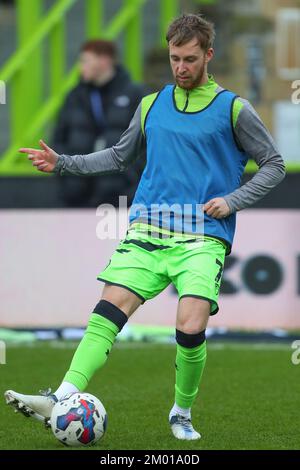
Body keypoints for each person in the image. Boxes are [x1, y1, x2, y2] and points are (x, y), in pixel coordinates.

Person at [5, 14, 285, 441]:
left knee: (191, 326)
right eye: (175, 58)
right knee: (107, 312)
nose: (181, 67)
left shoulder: (234, 109)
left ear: (208, 55)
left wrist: (232, 200)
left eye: (190, 59)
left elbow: (274, 164)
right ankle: (61, 395)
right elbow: (118, 156)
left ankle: (182, 412)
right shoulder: (151, 105)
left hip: (202, 236)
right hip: (147, 231)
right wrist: (62, 162)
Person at [52, 39, 146, 206]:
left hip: (121, 197)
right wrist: (66, 181)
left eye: (86, 60)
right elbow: (59, 139)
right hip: (76, 196)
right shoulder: (74, 97)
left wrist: (130, 181)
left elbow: (146, 144)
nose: (81, 67)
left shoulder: (135, 95)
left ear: (104, 60)